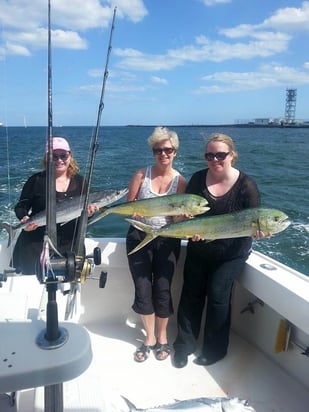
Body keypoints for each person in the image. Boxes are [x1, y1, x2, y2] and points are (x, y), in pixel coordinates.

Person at [173, 132, 261, 368]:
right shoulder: (198, 179)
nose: (214, 159)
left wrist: (260, 231)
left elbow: (255, 221)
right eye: (209, 155)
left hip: (232, 253)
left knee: (218, 297)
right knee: (191, 294)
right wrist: (186, 222)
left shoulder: (247, 186)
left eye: (220, 154)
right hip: (200, 247)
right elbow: (184, 215)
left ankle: (215, 350)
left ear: (232, 155)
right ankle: (184, 345)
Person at [126, 126, 187, 362]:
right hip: (139, 236)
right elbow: (129, 206)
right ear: (153, 152)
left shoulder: (180, 181)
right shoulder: (142, 175)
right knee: (142, 288)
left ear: (175, 152)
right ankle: (149, 338)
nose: (163, 154)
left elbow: (176, 219)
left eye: (168, 150)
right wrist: (136, 215)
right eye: (158, 150)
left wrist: (185, 217)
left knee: (162, 289)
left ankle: (162, 337)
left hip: (167, 240)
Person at [11, 137, 98, 275]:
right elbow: (21, 207)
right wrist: (24, 218)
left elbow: (87, 216)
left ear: (70, 156)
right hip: (35, 246)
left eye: (63, 155)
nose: (59, 160)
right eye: (54, 156)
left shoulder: (81, 182)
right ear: (47, 158)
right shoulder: (36, 181)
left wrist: (90, 213)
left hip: (70, 248)